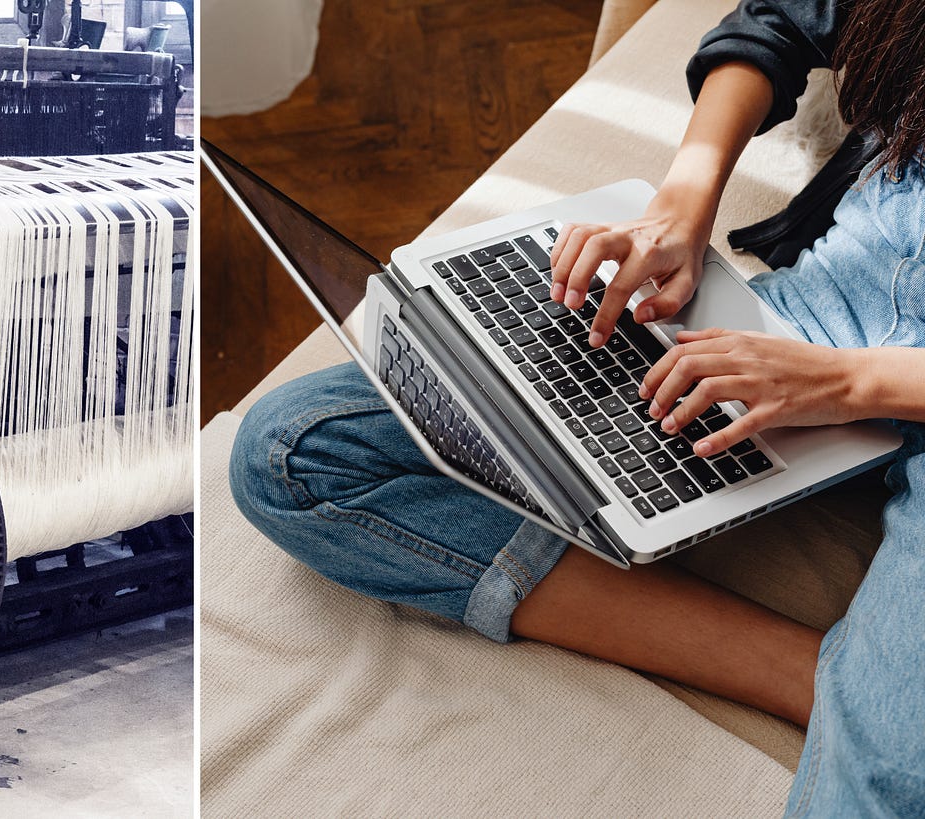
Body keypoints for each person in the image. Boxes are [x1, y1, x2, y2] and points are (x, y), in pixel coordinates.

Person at [228, 0, 925, 815]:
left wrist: (847, 385)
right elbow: (777, 21)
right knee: (294, 452)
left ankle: (873, 726)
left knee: (879, 790)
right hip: (807, 321)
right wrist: (681, 206)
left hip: (873, 378)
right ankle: (814, 681)